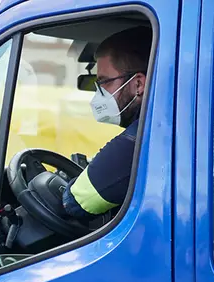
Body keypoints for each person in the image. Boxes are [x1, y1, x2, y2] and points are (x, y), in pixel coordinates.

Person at [62, 26, 151, 221]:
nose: (98, 94)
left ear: (138, 84)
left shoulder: (142, 139)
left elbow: (76, 202)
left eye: (104, 82)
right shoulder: (163, 124)